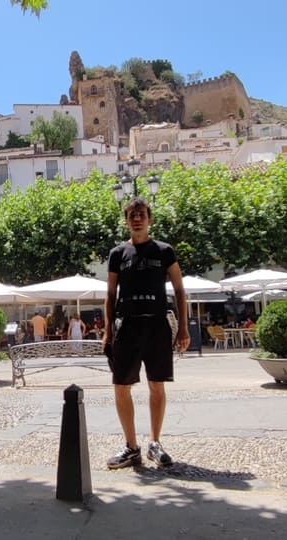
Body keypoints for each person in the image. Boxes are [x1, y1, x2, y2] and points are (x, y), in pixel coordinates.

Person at [103, 197, 189, 469]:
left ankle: (155, 442)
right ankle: (131, 447)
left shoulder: (165, 251)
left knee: (157, 384)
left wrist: (183, 328)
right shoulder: (117, 254)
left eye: (141, 214)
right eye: (132, 215)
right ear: (126, 222)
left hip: (156, 326)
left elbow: (178, 290)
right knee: (121, 386)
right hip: (126, 326)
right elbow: (109, 294)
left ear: (149, 220)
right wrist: (107, 332)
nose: (137, 219)